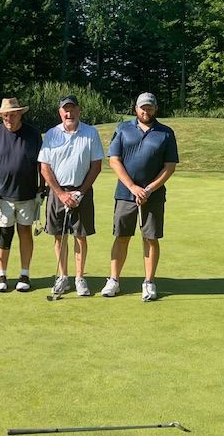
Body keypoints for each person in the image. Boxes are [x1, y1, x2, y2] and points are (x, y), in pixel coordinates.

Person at [102, 92, 178, 301]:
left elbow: (169, 166)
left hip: (153, 195)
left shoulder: (166, 133)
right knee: (121, 236)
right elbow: (114, 160)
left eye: (150, 107)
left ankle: (149, 282)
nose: (146, 111)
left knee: (150, 238)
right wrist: (133, 187)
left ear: (156, 108)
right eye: (143, 107)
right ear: (136, 108)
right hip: (125, 193)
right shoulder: (123, 129)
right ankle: (114, 280)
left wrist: (149, 189)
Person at [38, 95, 104, 297]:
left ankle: (80, 278)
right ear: (60, 112)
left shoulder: (90, 133)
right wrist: (60, 193)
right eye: (65, 110)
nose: (69, 113)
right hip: (57, 192)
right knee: (59, 235)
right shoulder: (52, 134)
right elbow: (45, 167)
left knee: (80, 236)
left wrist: (80, 193)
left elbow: (96, 166)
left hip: (81, 191)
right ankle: (63, 277)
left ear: (79, 110)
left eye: (72, 109)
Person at [0, 97, 43, 292]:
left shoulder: (33, 134)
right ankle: (1, 274)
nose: (9, 119)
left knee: (25, 232)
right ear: (1, 116)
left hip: (27, 194)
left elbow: (42, 164)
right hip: (2, 195)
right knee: (5, 233)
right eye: (5, 115)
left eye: (13, 115)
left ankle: (25, 274)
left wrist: (42, 188)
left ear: (20, 114)